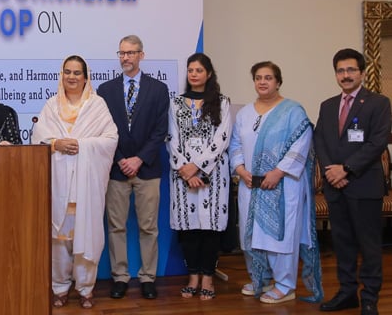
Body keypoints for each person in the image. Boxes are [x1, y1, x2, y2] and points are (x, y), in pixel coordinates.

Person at [229, 61, 322, 304]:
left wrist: (278, 172)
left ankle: (285, 285)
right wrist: (240, 169)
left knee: (280, 236)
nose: (262, 81)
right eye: (258, 77)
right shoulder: (245, 113)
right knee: (251, 235)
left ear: (278, 82)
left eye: (268, 77)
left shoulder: (292, 111)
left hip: (282, 186)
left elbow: (302, 143)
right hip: (250, 185)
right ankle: (261, 278)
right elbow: (235, 144)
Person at [32, 55, 118, 309]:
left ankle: (85, 288)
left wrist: (83, 145)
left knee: (87, 234)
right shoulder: (51, 105)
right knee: (60, 239)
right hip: (58, 185)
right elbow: (39, 139)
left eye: (77, 72)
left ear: (85, 77)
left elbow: (111, 139)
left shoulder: (97, 105)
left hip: (86, 186)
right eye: (67, 72)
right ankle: (59, 287)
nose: (71, 77)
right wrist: (56, 144)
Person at [314, 49, 391, 315]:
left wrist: (346, 169)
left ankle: (369, 298)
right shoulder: (327, 105)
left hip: (363, 186)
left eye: (351, 70)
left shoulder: (379, 103)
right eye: (340, 71)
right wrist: (330, 171)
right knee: (343, 244)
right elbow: (319, 140)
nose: (345, 76)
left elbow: (377, 142)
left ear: (362, 72)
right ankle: (347, 293)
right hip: (335, 188)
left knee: (368, 246)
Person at [97, 35, 169, 300]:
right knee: (116, 226)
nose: (125, 57)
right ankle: (120, 277)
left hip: (147, 169)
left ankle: (148, 277)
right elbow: (103, 130)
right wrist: (120, 159)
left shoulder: (158, 89)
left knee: (148, 227)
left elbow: (161, 129)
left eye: (131, 53)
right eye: (122, 53)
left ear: (142, 55)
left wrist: (139, 159)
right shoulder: (105, 90)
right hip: (116, 169)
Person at [166, 53, 231, 301]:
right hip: (183, 177)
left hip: (213, 175)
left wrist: (199, 168)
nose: (194, 74)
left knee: (210, 228)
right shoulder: (175, 103)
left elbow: (222, 139)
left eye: (199, 70)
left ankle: (208, 277)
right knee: (189, 229)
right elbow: (171, 138)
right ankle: (193, 275)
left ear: (209, 74)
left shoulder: (222, 102)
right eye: (190, 70)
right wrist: (186, 170)